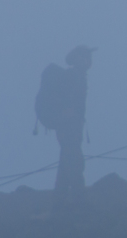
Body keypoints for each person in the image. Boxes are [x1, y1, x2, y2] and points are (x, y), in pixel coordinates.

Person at [36, 45, 95, 205]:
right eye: (85, 57)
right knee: (75, 161)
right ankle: (80, 199)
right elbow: (69, 103)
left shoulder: (76, 76)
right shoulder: (73, 76)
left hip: (71, 125)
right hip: (68, 126)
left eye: (89, 58)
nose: (89, 61)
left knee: (66, 162)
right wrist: (68, 116)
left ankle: (59, 200)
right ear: (78, 59)